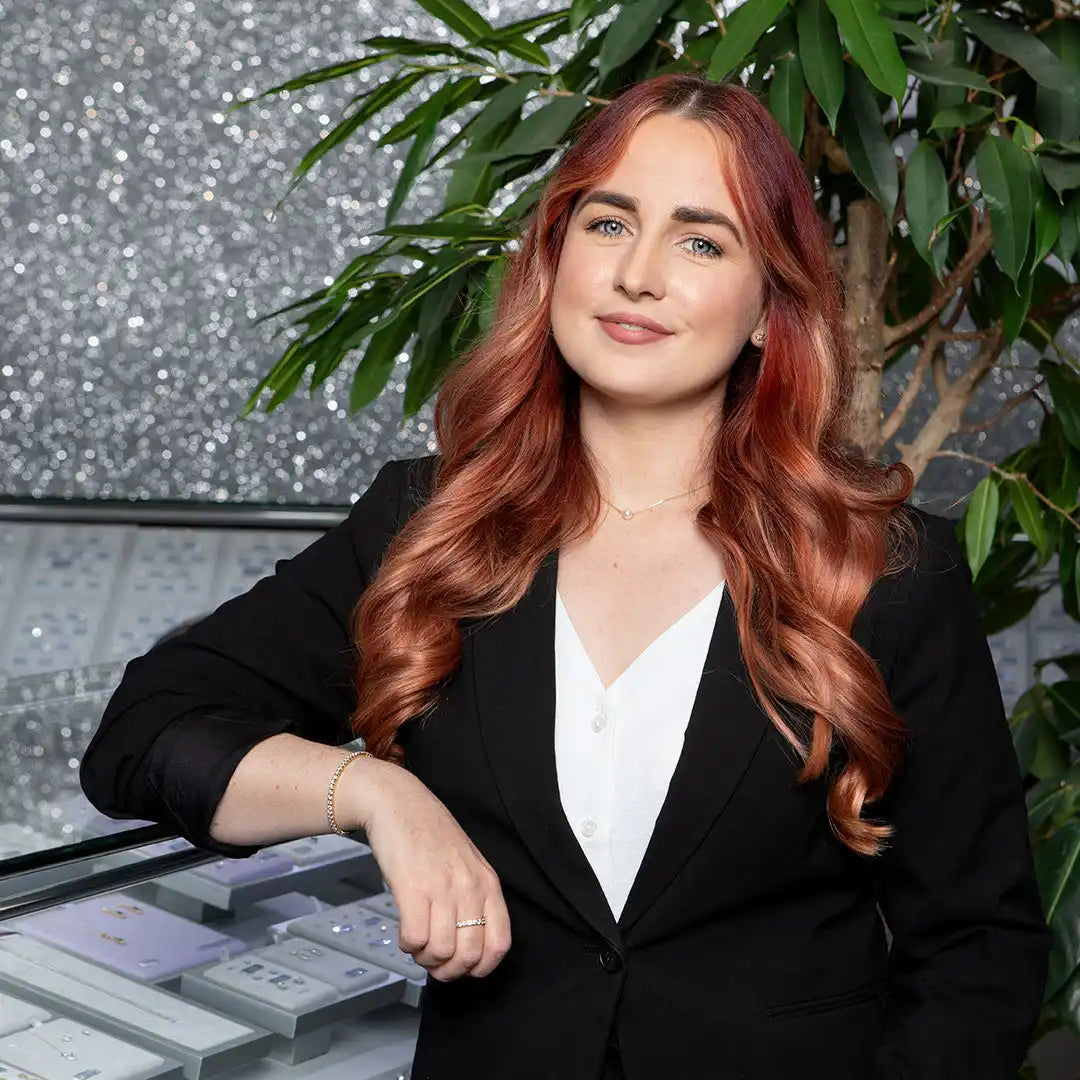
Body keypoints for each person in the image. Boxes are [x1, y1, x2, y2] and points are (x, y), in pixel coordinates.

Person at [79, 74, 1051, 1080]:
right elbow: (144, 735)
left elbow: (981, 951)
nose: (638, 274)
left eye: (701, 241)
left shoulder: (886, 569)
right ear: (554, 257)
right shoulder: (429, 524)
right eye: (608, 222)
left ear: (768, 307)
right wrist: (373, 794)